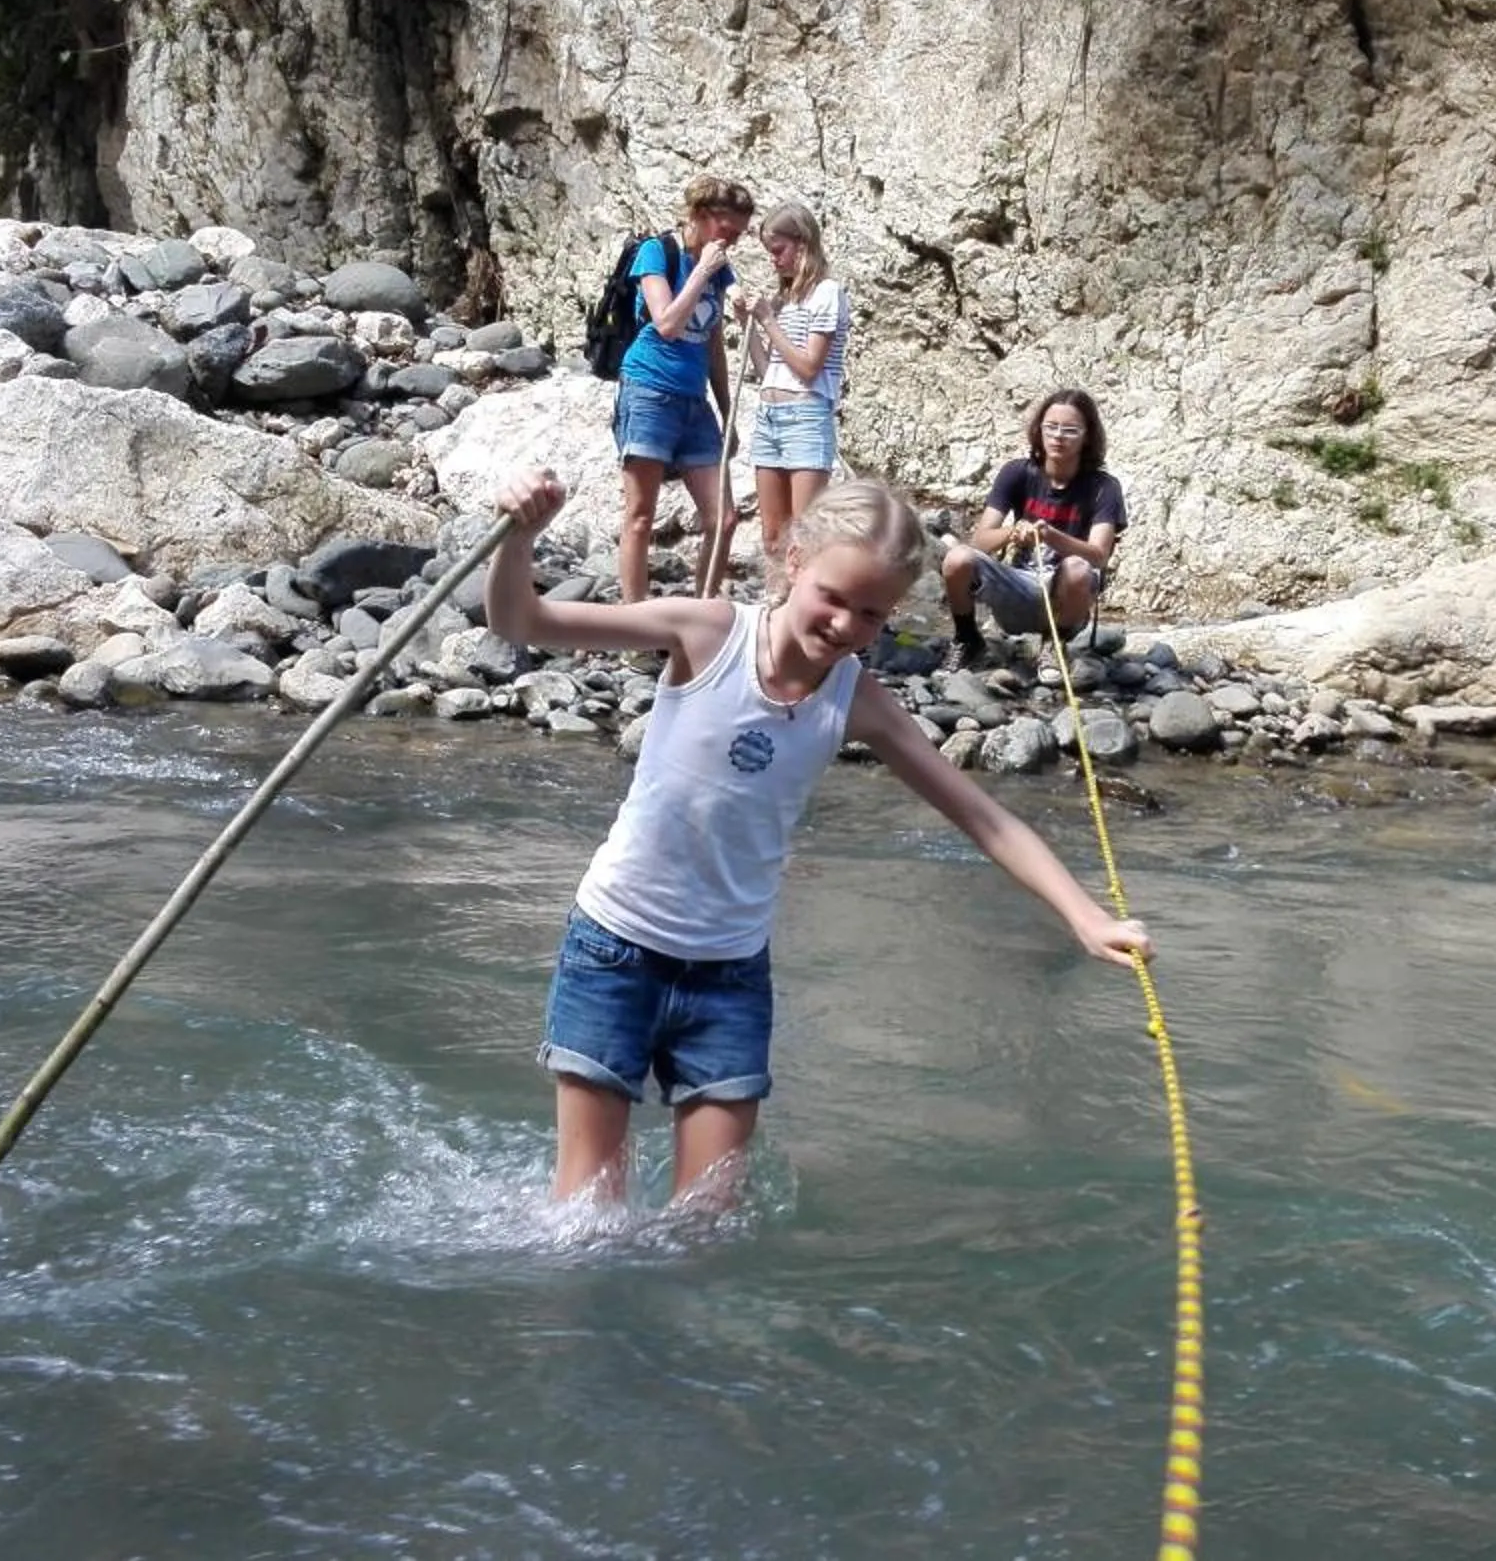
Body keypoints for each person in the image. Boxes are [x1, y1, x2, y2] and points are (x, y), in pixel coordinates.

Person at [485, 464, 1152, 1209]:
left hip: (729, 978)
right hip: (615, 949)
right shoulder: (706, 631)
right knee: (588, 1213)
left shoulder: (856, 700)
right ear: (792, 560)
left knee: (708, 1222)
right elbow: (524, 623)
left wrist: (1086, 916)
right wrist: (520, 539)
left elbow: (985, 817)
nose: (845, 627)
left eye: (872, 615)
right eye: (833, 598)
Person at [615, 174, 755, 605]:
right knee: (641, 516)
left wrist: (727, 410)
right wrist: (701, 272)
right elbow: (668, 324)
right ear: (698, 215)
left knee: (724, 518)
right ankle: (633, 624)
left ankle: (702, 610)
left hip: (695, 402)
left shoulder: (719, 267)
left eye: (737, 233)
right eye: (724, 229)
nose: (729, 240)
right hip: (649, 390)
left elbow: (712, 343)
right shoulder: (656, 253)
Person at [938, 389, 1128, 672]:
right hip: (1020, 584)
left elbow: (1099, 556)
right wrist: (1014, 532)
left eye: (1070, 430)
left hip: (1067, 595)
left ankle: (1054, 646)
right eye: (1051, 427)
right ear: (1039, 431)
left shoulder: (1104, 488)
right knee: (957, 558)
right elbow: (980, 541)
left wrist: (1052, 536)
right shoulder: (1017, 473)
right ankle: (967, 639)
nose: (1058, 436)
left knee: (1078, 568)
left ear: (1087, 436)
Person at [732, 201, 851, 569]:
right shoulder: (786, 299)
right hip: (770, 417)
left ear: (802, 244)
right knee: (772, 535)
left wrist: (768, 321)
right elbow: (771, 369)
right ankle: (778, 607)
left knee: (805, 533)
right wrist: (748, 326)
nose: (774, 260)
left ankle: (807, 610)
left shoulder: (827, 292)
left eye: (778, 250)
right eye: (770, 252)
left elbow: (809, 367)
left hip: (806, 416)